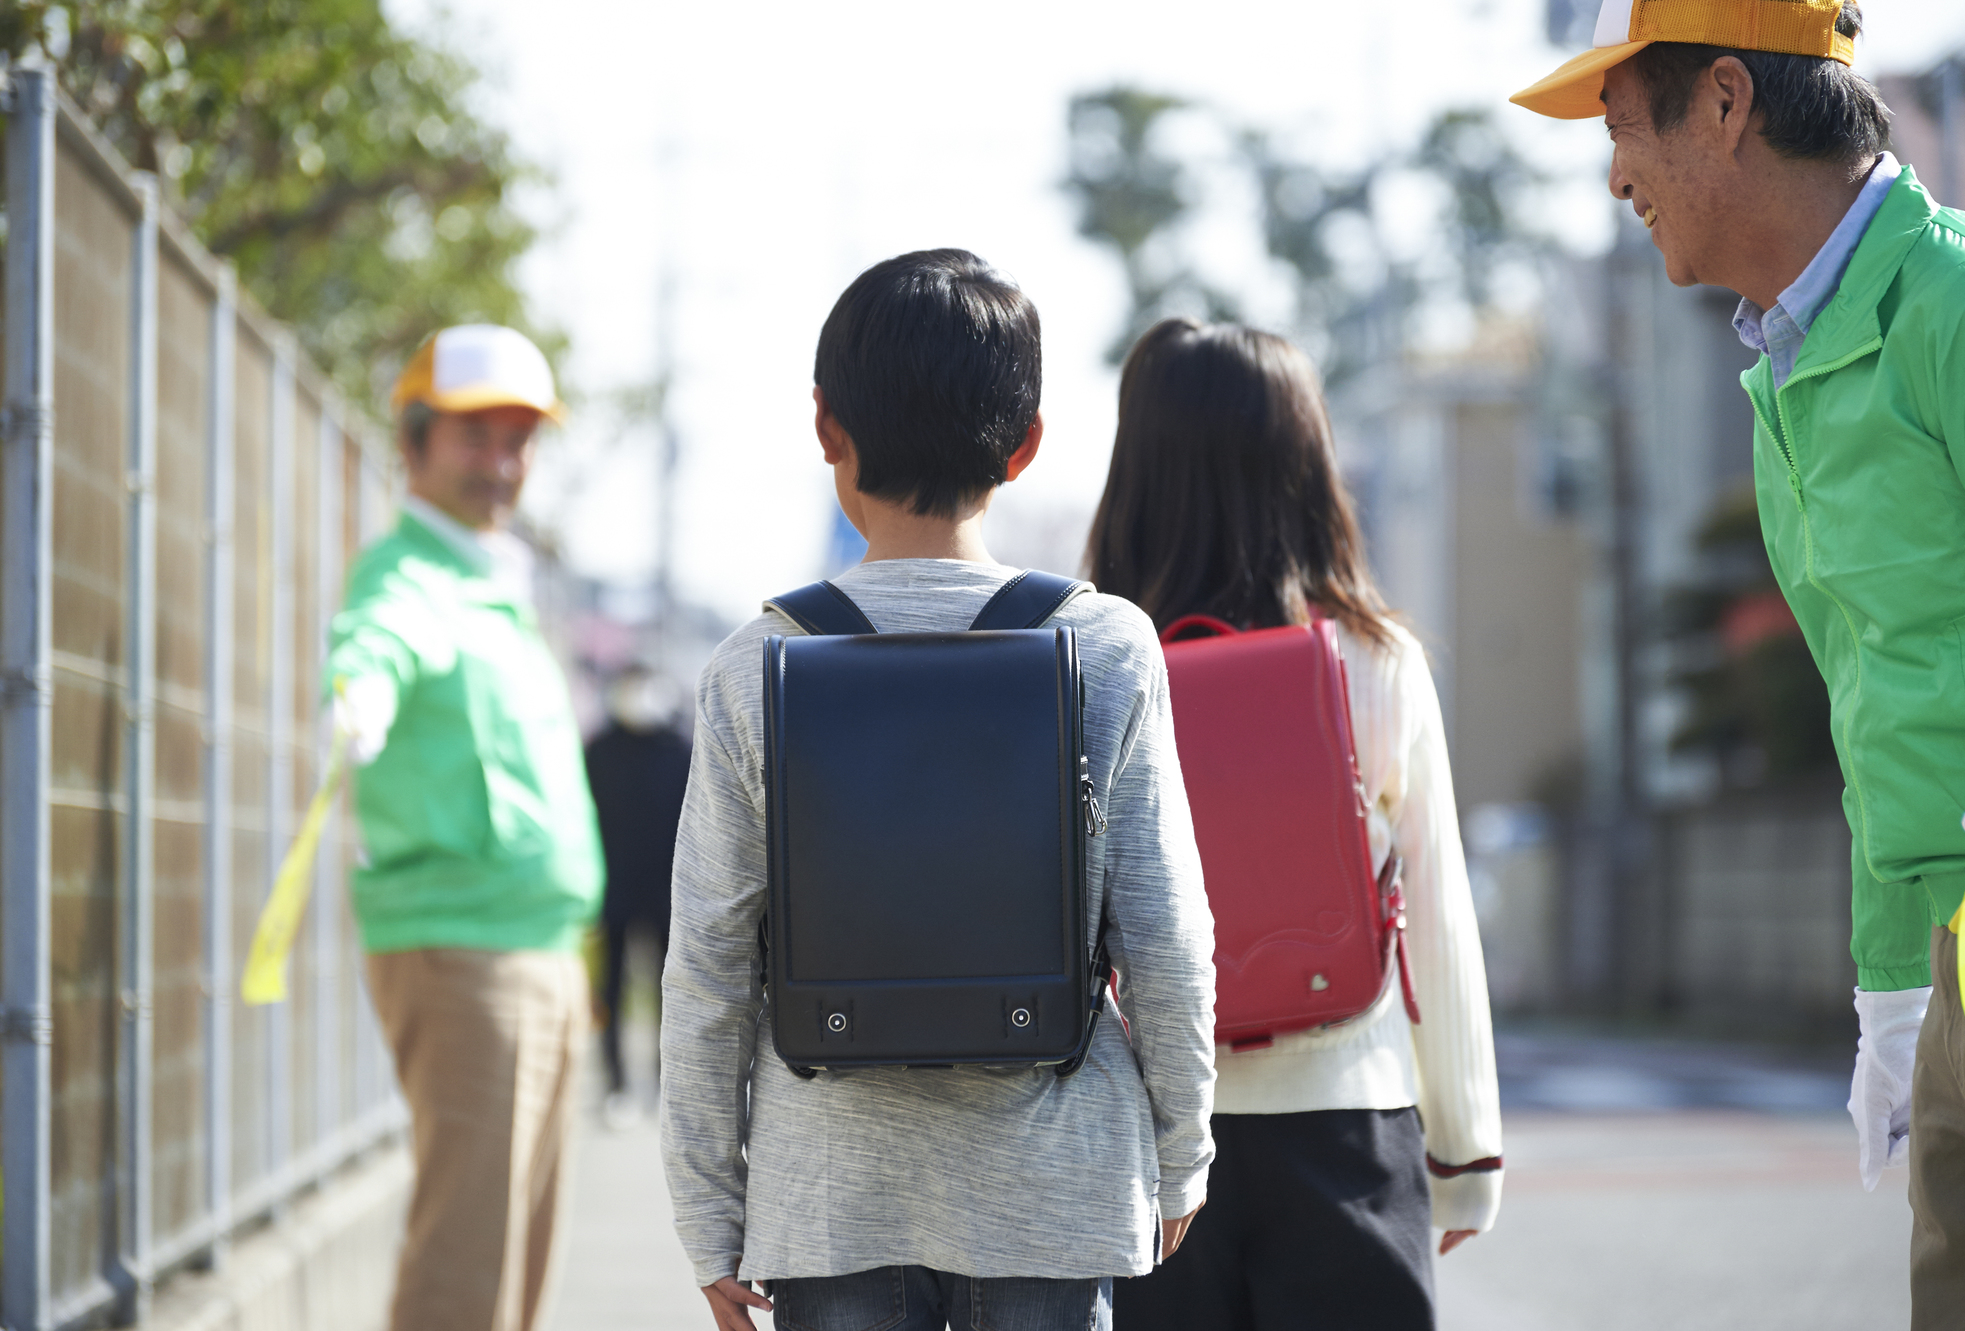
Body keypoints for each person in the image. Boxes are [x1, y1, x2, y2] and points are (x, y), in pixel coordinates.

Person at [1513, 2, 1965, 1321]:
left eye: (1622, 129)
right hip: (1960, 974)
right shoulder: (1788, 370)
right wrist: (1894, 985)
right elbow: (1878, 702)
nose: (1615, 177)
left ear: (1725, 104)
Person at [660, 249, 1218, 1331]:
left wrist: (708, 1212)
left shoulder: (753, 663)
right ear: (1025, 444)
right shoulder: (1102, 644)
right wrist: (1178, 1149)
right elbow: (1165, 931)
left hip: (829, 1196)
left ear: (826, 426)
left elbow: (709, 963)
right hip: (1053, 1190)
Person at [1091, 319, 1503, 1331]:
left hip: (1146, 1150)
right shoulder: (1373, 659)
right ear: (1307, 466)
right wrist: (1463, 1150)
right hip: (1346, 1127)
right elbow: (1436, 920)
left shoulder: (1087, 666)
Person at [326, 324, 604, 1331]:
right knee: (465, 1264)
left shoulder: (494, 577)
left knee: (518, 1262)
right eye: (473, 436)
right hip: (462, 951)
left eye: (518, 439)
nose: (500, 462)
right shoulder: (406, 574)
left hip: (534, 949)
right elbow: (374, 641)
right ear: (412, 440)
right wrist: (356, 694)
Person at [584, 664, 691, 1123]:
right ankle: (615, 1083)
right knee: (611, 986)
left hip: (671, 894)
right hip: (613, 889)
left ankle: (668, 1082)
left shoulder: (680, 750)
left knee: (673, 990)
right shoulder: (598, 751)